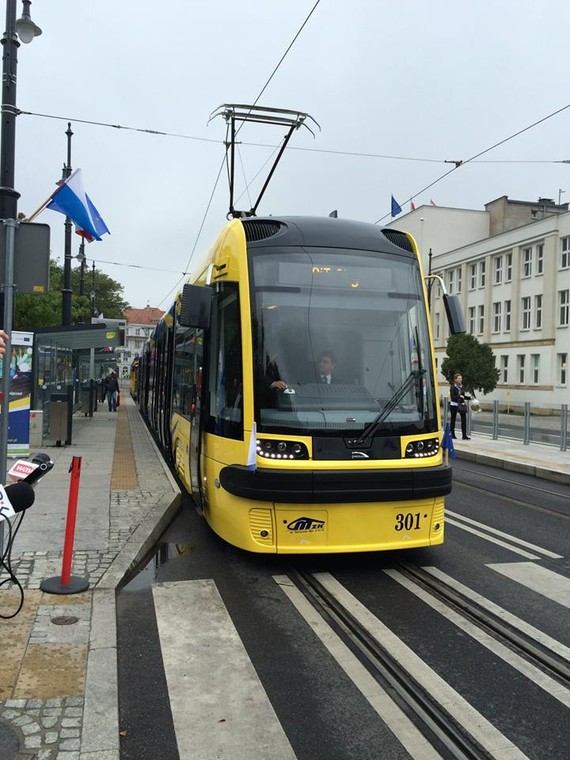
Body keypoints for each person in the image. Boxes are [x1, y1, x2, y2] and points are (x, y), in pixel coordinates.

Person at [449, 372, 471, 440]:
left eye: (461, 378)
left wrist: (469, 398)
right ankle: (452, 434)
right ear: (455, 379)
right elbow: (453, 397)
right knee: (453, 419)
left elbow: (463, 396)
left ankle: (464, 435)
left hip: (461, 405)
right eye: (459, 378)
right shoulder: (453, 387)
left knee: (464, 419)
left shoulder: (462, 387)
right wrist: (459, 396)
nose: (460, 379)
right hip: (454, 405)